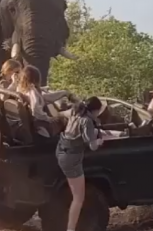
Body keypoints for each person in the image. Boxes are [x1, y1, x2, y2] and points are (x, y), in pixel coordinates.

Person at [56, 96, 104, 231]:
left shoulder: (75, 113)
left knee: (77, 196)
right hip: (72, 159)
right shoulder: (87, 121)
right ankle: (70, 229)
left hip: (62, 151)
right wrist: (99, 141)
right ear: (95, 110)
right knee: (78, 198)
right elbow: (93, 146)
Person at [16, 65, 70, 137]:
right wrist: (47, 118)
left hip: (31, 122)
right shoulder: (32, 92)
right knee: (64, 119)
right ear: (35, 79)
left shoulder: (20, 88)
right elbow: (36, 109)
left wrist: (63, 93)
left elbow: (45, 97)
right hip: (39, 123)